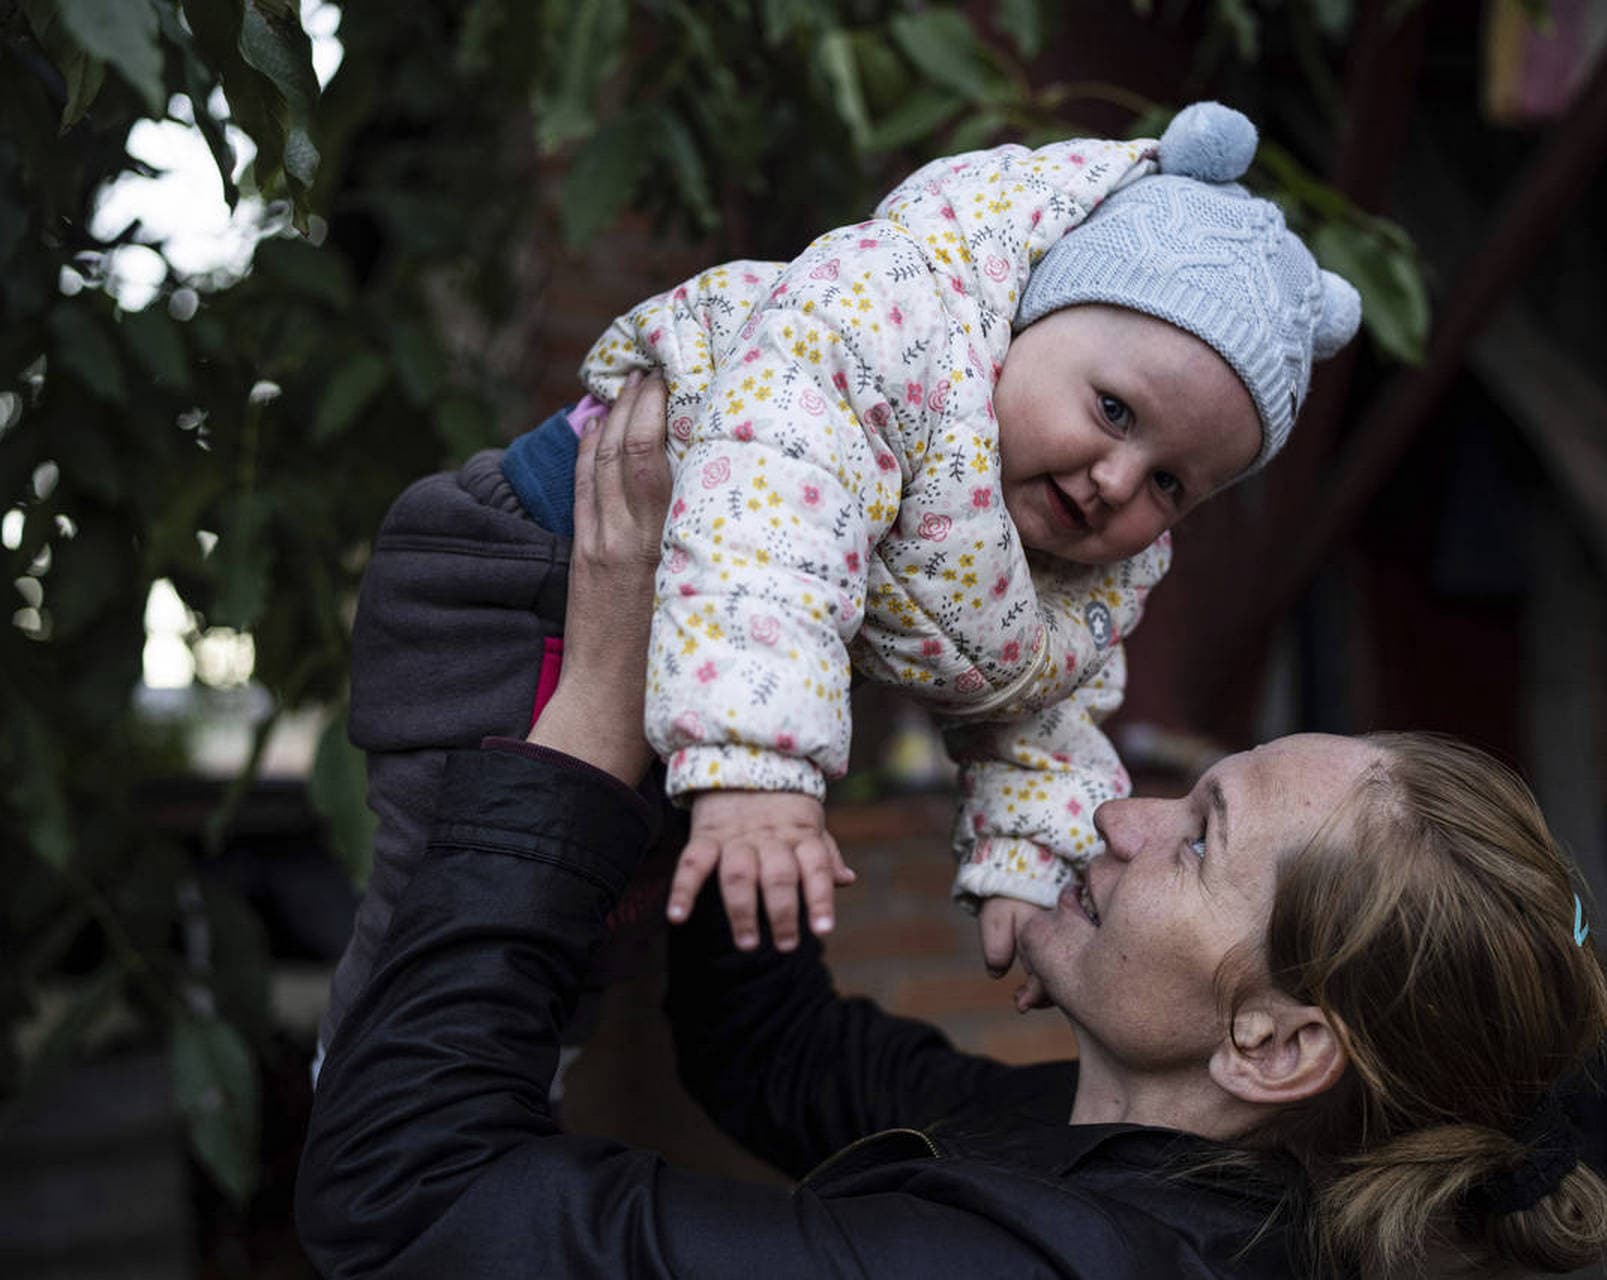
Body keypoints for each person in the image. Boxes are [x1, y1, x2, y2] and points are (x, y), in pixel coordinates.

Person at [297, 380, 1607, 1278]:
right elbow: (774, 1052)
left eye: (1198, 838)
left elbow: (404, 1204)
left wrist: (595, 701)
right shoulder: (1145, 1162)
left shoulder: (1043, 1259)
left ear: (1279, 1041)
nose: (1121, 813)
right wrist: (758, 713)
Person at [316, 100, 1366, 1063]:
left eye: (1171, 483)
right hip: (530, 571)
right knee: (460, 876)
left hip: (699, 651)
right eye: (1116, 412)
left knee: (593, 918)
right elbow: (770, 520)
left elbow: (1044, 697)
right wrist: (763, 767)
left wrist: (1032, 848)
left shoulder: (1069, 551)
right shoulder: (887, 323)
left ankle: (500, 1088)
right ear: (1026, 314)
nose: (1117, 480)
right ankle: (372, 1067)